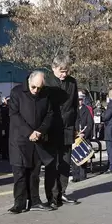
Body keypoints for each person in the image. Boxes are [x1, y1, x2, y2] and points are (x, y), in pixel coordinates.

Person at [8, 71, 54, 213]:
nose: (36, 91)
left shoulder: (45, 94)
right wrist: (29, 132)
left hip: (37, 139)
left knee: (34, 172)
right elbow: (14, 115)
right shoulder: (17, 92)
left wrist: (40, 131)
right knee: (20, 172)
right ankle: (19, 203)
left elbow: (49, 114)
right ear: (29, 82)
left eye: (39, 88)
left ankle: (34, 201)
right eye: (34, 87)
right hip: (20, 139)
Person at [44, 55, 79, 207]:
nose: (64, 74)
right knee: (53, 163)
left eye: (66, 71)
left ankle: (62, 192)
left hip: (68, 128)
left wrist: (76, 126)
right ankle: (52, 196)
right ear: (53, 68)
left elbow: (75, 106)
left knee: (65, 162)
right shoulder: (47, 81)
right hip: (52, 128)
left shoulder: (72, 82)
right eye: (61, 71)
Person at [73, 91, 93, 182]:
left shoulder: (86, 110)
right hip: (75, 137)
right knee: (74, 158)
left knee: (83, 157)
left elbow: (90, 124)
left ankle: (83, 175)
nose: (79, 102)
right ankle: (75, 176)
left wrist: (84, 134)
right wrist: (75, 133)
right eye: (78, 100)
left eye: (81, 100)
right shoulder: (73, 110)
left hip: (84, 137)